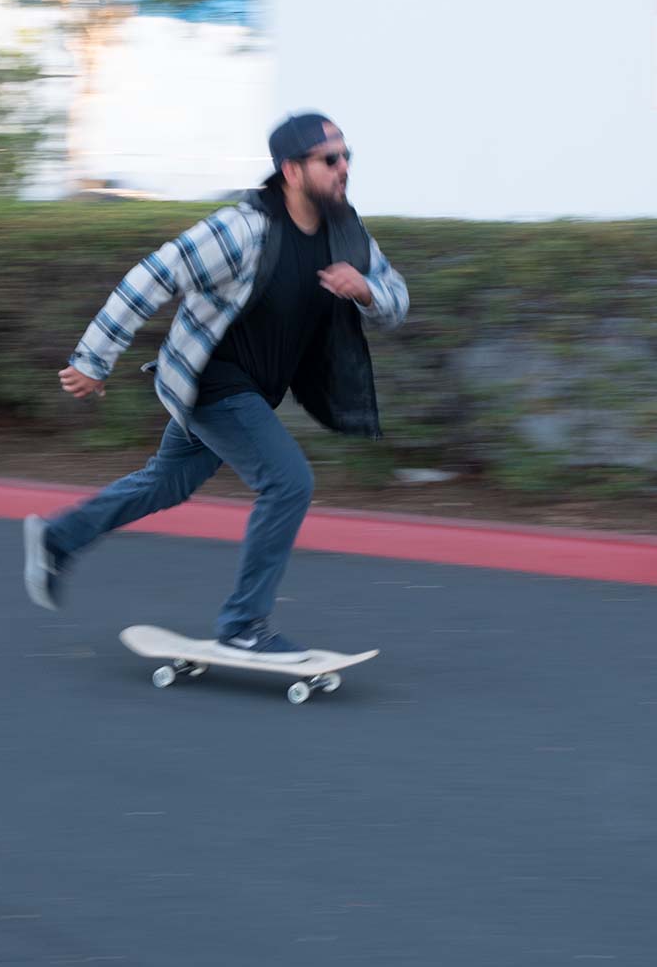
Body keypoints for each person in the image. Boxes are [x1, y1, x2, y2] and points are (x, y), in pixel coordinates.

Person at [23, 111, 409, 662]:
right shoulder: (243, 229)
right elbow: (153, 275)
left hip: (251, 388)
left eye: (348, 155)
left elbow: (397, 299)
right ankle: (245, 624)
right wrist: (93, 359)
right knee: (289, 482)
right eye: (331, 159)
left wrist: (366, 291)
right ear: (291, 170)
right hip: (210, 381)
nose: (344, 167)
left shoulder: (346, 232)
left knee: (167, 484)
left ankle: (57, 538)